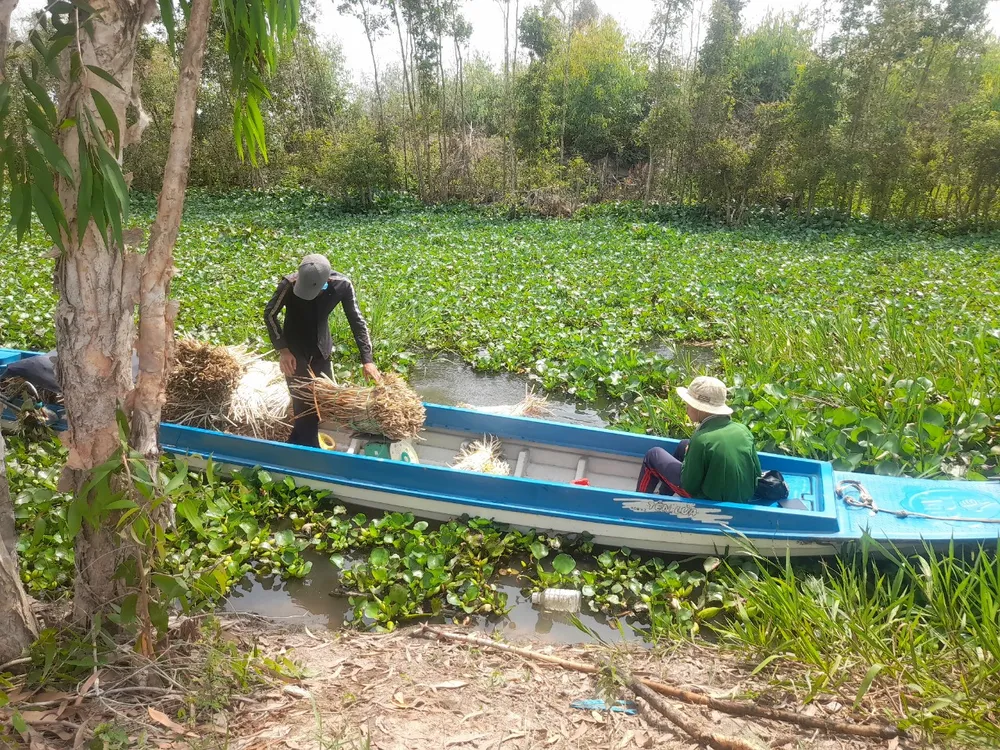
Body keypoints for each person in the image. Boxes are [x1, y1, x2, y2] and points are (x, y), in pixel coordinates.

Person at [265, 254, 382, 447]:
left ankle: (297, 440)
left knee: (323, 398)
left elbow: (357, 321)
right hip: (294, 351)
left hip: (321, 348)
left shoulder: (342, 285)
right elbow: (270, 315)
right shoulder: (288, 284)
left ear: (325, 283)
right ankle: (310, 448)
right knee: (303, 402)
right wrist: (283, 350)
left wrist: (367, 360)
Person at [636, 376, 761, 503]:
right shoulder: (743, 430)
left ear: (700, 408)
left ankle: (636, 503)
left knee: (653, 455)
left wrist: (688, 460)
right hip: (742, 496)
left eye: (689, 404)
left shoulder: (702, 439)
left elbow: (689, 485)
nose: (686, 407)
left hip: (710, 500)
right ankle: (663, 496)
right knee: (683, 445)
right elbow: (756, 472)